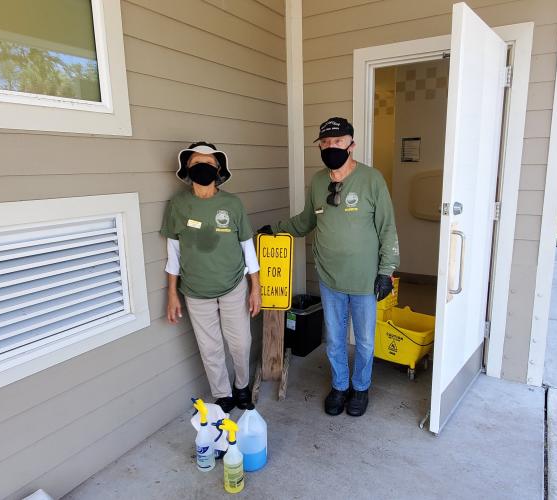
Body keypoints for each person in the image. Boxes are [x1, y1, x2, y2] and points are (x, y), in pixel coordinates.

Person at [259, 117, 399, 417]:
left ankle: (360, 388)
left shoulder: (372, 179)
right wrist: (278, 228)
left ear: (351, 145)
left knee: (363, 341)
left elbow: (387, 228)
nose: (330, 148)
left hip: (365, 280)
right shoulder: (319, 181)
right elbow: (307, 220)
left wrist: (386, 271)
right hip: (329, 277)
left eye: (337, 142)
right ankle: (340, 386)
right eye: (324, 144)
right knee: (335, 340)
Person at [161, 142, 261, 413]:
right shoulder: (179, 204)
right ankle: (223, 393)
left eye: (209, 163)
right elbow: (173, 252)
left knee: (241, 342)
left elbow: (247, 248)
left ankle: (242, 386)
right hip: (195, 290)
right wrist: (172, 294)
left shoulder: (232, 203)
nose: (202, 168)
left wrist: (256, 288)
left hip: (233, 286)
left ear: (218, 169)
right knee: (210, 348)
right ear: (187, 169)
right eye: (196, 163)